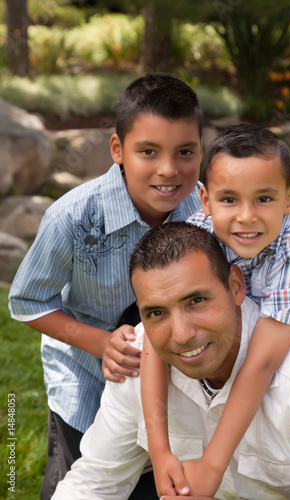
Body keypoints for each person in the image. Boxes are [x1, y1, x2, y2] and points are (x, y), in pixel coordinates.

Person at [8, 73, 204, 500]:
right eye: (148, 152)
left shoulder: (206, 205)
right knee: (84, 482)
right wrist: (99, 343)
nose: (169, 170)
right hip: (86, 384)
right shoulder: (72, 217)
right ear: (118, 150)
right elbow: (25, 300)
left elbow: (286, 215)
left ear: (201, 150)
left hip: (170, 388)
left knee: (157, 482)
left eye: (185, 152)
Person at [51, 221, 290, 500]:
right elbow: (94, 483)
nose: (182, 335)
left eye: (196, 301)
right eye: (157, 313)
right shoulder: (136, 356)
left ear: (236, 286)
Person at [140, 124, 290, 497]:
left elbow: (262, 363)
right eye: (229, 200)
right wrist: (160, 450)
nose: (246, 217)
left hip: (289, 372)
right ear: (205, 200)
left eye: (263, 199)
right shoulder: (197, 233)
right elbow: (152, 346)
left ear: (289, 199)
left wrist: (212, 467)